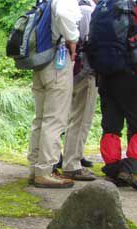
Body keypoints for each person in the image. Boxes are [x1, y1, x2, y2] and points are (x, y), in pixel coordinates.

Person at [91, 0, 137, 191]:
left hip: (105, 72)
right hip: (132, 72)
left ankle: (113, 170)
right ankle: (131, 168)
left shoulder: (106, 6)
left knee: (111, 124)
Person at [28, 0, 82, 188]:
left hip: (40, 61)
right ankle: (45, 170)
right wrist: (73, 39)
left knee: (40, 119)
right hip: (56, 62)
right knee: (55, 119)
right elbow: (64, 14)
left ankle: (35, 167)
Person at [61, 0, 98, 181]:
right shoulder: (87, 11)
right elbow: (88, 42)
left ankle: (62, 159)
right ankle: (72, 164)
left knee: (68, 117)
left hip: (69, 69)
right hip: (85, 72)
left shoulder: (73, 8)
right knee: (81, 118)